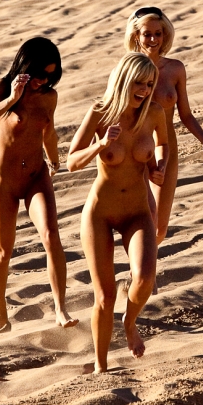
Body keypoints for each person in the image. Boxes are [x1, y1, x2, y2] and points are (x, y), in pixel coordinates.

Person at [67, 53, 169, 373]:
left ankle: (130, 321)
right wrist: (98, 146)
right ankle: (101, 365)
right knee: (105, 296)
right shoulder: (99, 112)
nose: (144, 89)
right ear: (124, 79)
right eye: (139, 82)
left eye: (150, 83)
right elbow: (71, 161)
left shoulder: (153, 113)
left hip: (137, 212)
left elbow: (163, 144)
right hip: (100, 213)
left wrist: (159, 167)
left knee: (144, 279)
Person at [0, 37, 77, 335]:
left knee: (50, 235)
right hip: (4, 182)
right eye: (39, 74)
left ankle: (60, 308)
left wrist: (55, 161)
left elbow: (49, 132)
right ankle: (0, 309)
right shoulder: (1, 89)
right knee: (4, 250)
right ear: (25, 67)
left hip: (35, 176)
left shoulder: (49, 96)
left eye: (50, 75)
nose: (43, 81)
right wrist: (12, 99)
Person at [124, 7, 203, 246]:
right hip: (137, 149)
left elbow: (185, 114)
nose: (153, 39)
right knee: (145, 218)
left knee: (160, 227)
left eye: (158, 33)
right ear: (136, 36)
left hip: (168, 150)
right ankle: (143, 280)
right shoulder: (126, 69)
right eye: (147, 34)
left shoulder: (176, 69)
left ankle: (143, 276)